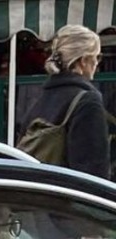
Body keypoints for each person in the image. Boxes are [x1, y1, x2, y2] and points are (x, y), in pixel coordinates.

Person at [18, 24, 110, 179]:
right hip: (67, 193)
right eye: (97, 57)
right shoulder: (87, 102)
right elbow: (93, 171)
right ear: (83, 61)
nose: (97, 63)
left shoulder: (40, 100)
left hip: (36, 190)